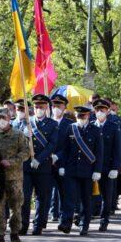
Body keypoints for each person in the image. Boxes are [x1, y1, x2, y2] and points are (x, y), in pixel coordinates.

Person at [0, 107, 30, 242]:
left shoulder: (18, 135)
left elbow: (26, 152)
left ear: (9, 118)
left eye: (3, 117)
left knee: (16, 207)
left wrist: (11, 161)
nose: (0, 120)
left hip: (14, 177)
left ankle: (15, 233)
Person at [17, 94, 60, 236]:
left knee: (42, 197)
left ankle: (38, 225)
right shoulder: (26, 123)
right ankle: (23, 224)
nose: (38, 109)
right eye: (36, 107)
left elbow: (52, 145)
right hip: (26, 166)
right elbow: (20, 144)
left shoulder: (53, 124)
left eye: (41, 107)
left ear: (46, 107)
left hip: (43, 166)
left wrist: (39, 159)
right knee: (25, 197)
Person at [57, 105, 102, 236]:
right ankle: (66, 222)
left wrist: (97, 170)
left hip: (88, 170)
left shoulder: (95, 130)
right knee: (69, 197)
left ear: (88, 116)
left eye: (83, 116)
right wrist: (61, 166)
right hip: (71, 169)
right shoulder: (70, 128)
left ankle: (84, 224)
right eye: (78, 116)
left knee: (85, 199)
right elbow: (65, 150)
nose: (80, 118)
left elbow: (99, 152)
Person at [93, 99, 121, 232]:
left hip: (108, 167)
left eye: (102, 110)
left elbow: (117, 149)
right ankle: (85, 218)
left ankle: (104, 220)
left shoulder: (113, 127)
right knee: (89, 194)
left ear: (107, 111)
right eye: (97, 110)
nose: (100, 112)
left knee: (107, 195)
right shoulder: (91, 126)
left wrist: (115, 167)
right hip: (92, 167)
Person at [49, 94, 72, 223]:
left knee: (64, 192)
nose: (56, 108)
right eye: (54, 105)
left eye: (59, 105)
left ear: (64, 107)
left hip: (63, 163)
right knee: (46, 192)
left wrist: (58, 156)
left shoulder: (70, 125)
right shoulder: (46, 122)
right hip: (46, 162)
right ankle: (47, 216)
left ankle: (65, 219)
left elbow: (70, 146)